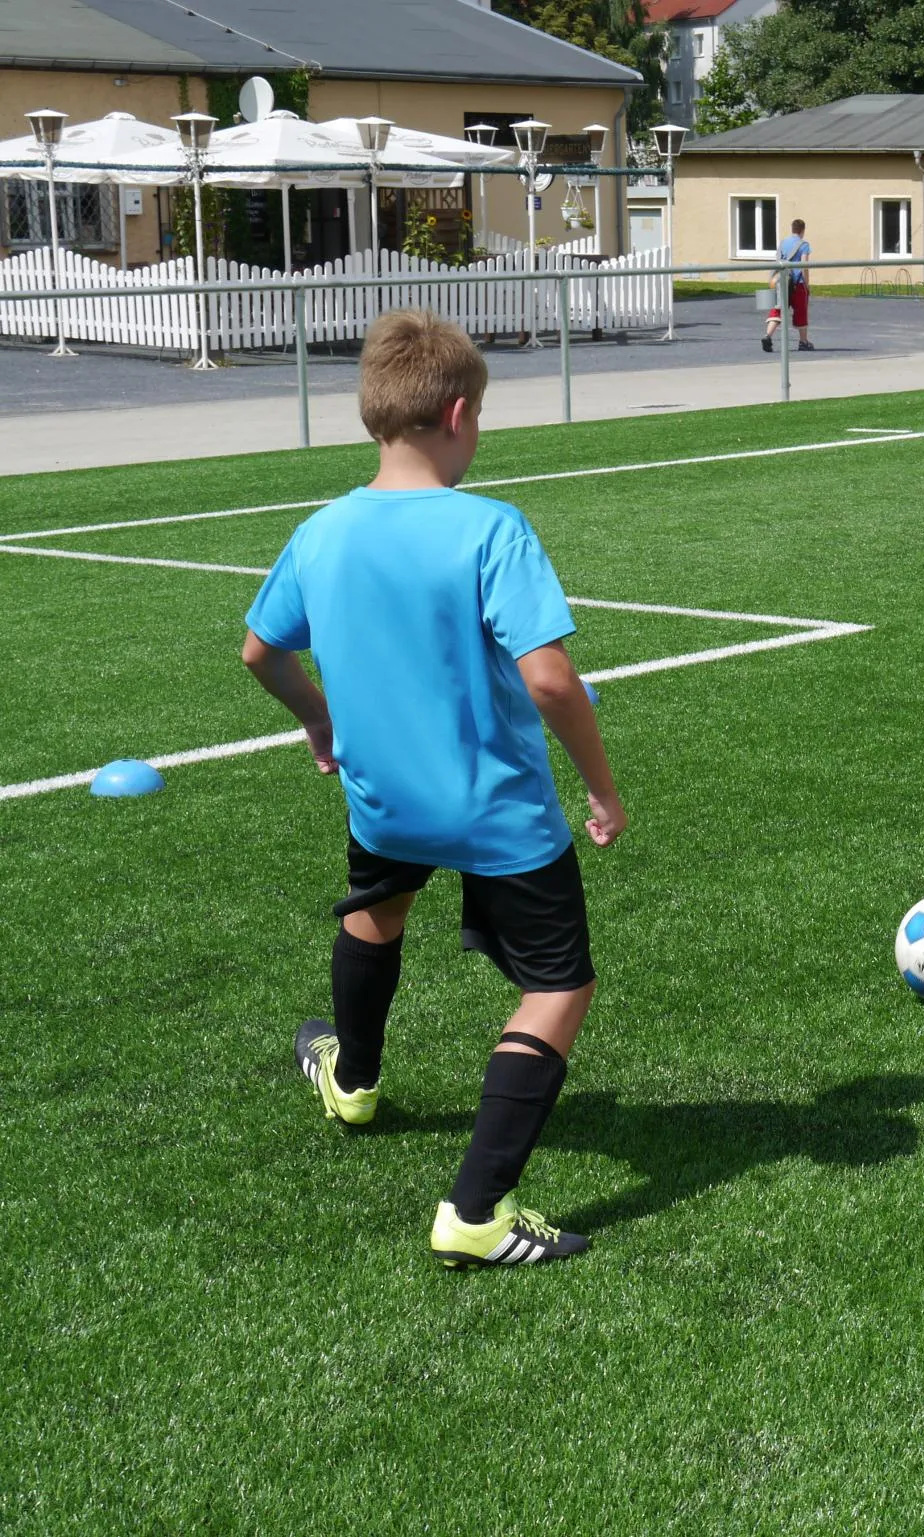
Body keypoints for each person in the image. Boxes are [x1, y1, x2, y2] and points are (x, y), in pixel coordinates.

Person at [241, 308, 628, 1269]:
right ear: (459, 414)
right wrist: (602, 789)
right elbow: (549, 679)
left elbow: (260, 651)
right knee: (558, 986)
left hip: (385, 801)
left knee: (378, 911)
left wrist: (318, 720)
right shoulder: (492, 527)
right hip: (499, 812)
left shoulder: (322, 530)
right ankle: (476, 1213)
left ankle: (354, 1082)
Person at [762, 217, 813, 353]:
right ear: (803, 230)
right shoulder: (804, 245)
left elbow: (778, 261)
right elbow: (804, 266)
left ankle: (767, 336)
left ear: (792, 229)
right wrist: (807, 284)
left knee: (778, 308)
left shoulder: (783, 243)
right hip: (797, 282)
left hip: (782, 281)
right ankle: (803, 341)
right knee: (801, 310)